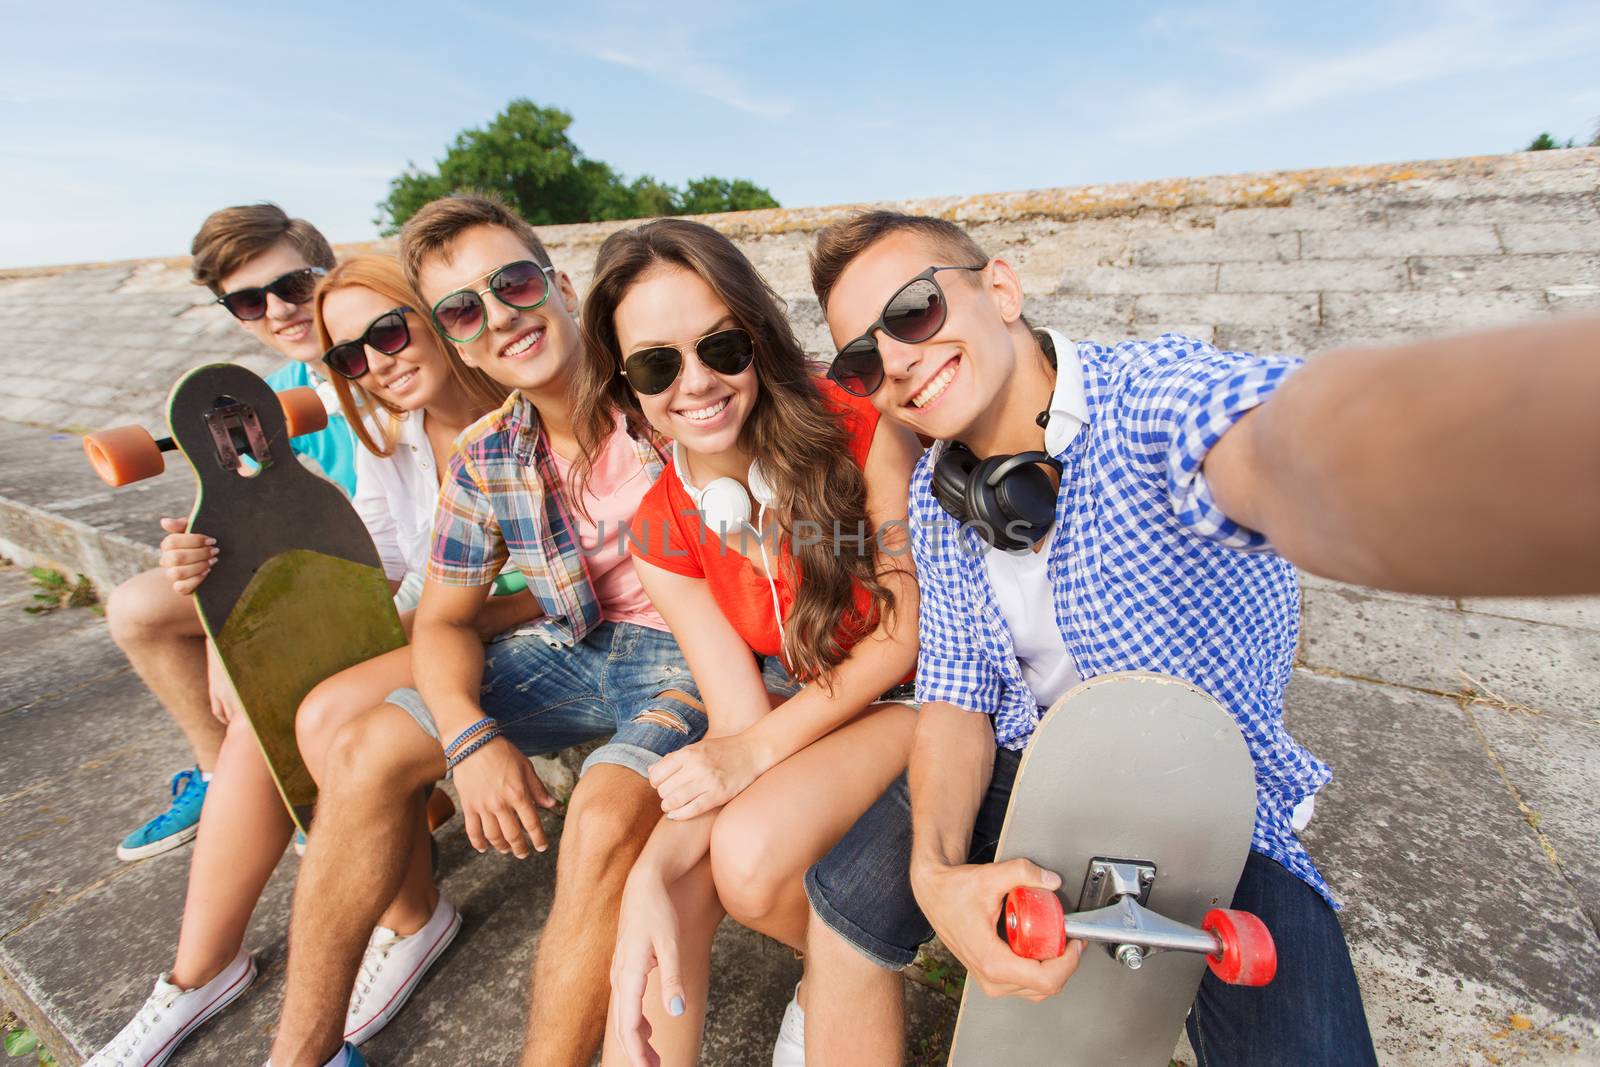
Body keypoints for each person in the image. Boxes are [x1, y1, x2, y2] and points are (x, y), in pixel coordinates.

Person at [796, 210, 1600, 1066]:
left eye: (915, 309)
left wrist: (1511, 440)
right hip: (1024, 761)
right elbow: (955, 695)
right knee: (840, 904)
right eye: (861, 358)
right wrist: (935, 874)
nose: (898, 360)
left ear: (1001, 289)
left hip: (1200, 794)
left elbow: (1283, 442)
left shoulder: (1151, 398)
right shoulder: (935, 494)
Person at [266, 195, 707, 1067]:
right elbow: (442, 618)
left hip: (697, 655)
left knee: (602, 815)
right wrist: (468, 735)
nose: (499, 316)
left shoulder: (667, 387)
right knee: (361, 749)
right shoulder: (488, 452)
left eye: (512, 283)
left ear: (560, 284)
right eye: (463, 308)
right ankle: (299, 1056)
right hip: (577, 641)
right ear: (451, 335)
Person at [86, 253, 518, 1067]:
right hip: (437, 624)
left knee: (314, 703)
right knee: (275, 694)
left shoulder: (519, 408)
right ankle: (197, 971)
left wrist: (426, 622)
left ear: (434, 314)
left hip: (509, 630)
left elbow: (576, 577)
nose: (377, 362)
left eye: (388, 332)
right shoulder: (394, 436)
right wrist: (232, 608)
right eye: (352, 356)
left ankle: (412, 915)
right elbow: (382, 563)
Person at [566, 219, 923, 1067]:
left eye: (721, 347)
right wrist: (648, 870)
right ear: (626, 385)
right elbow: (735, 719)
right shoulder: (662, 525)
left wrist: (756, 748)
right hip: (819, 714)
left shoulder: (856, 422)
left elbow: (909, 631)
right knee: (696, 874)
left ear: (756, 341)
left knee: (748, 851)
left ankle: (842, 974)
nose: (695, 383)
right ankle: (830, 976)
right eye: (657, 363)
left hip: (926, 689)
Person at [107, 204, 357, 862]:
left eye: (294, 286)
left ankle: (294, 792)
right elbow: (249, 518)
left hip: (367, 576)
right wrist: (205, 556)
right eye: (247, 302)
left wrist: (234, 626)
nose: (278, 311)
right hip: (297, 571)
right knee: (138, 608)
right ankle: (225, 781)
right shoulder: (260, 399)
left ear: (329, 272)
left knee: (256, 655)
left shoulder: (392, 361)